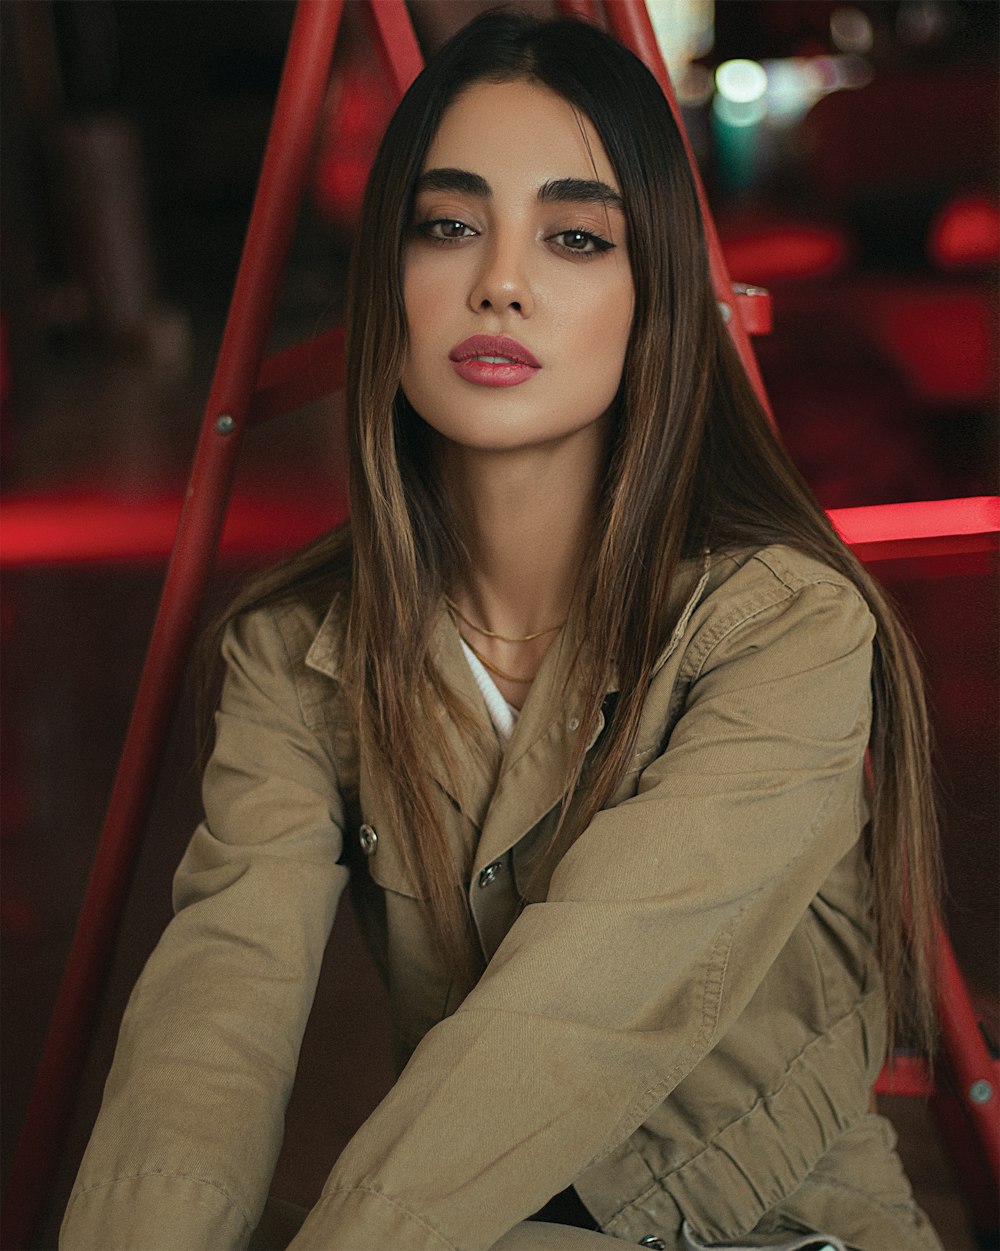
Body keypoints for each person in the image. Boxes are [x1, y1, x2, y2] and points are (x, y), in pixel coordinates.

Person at [61, 12, 944, 1251]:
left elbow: (580, 1016)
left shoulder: (781, 628)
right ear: (393, 279)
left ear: (653, 305)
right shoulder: (299, 651)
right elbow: (219, 1009)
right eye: (450, 224)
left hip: (770, 1234)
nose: (501, 280)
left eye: (575, 237)